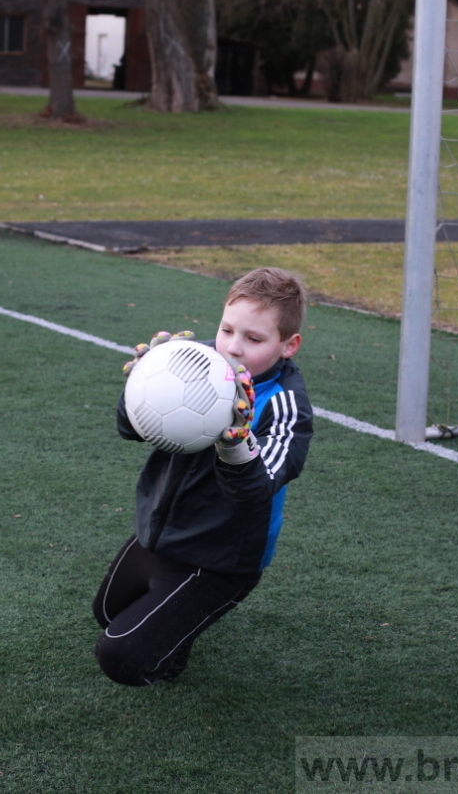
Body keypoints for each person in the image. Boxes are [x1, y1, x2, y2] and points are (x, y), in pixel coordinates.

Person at [93, 267, 313, 685]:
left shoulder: (284, 405)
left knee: (121, 657)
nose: (232, 347)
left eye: (254, 339)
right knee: (104, 615)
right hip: (163, 532)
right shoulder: (194, 362)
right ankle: (173, 621)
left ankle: (177, 641)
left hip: (220, 559)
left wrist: (235, 441)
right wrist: (143, 383)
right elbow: (129, 429)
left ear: (289, 345)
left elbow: (256, 492)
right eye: (227, 329)